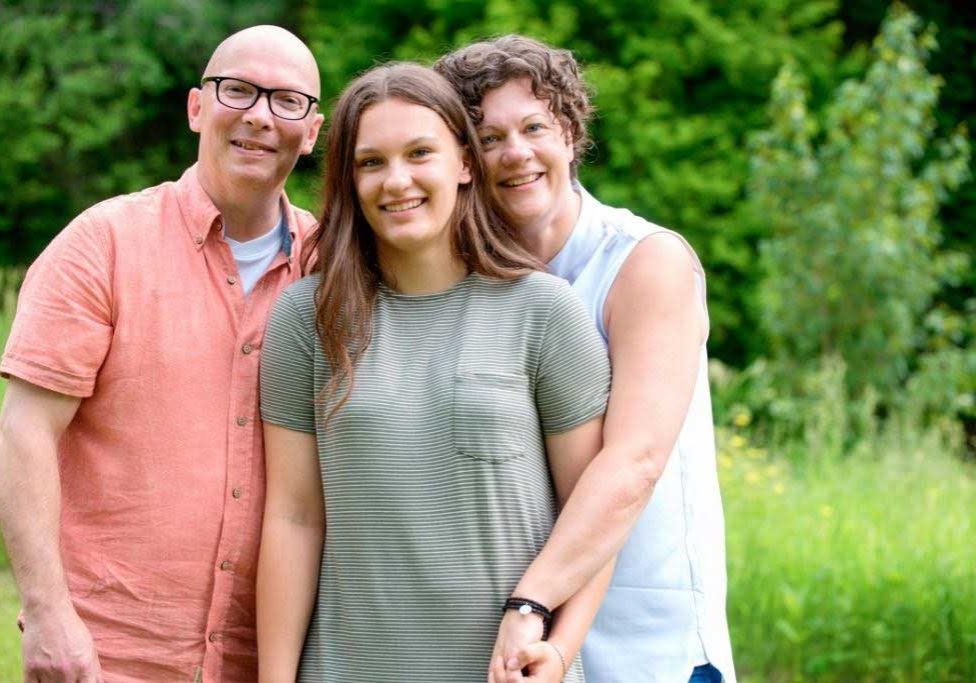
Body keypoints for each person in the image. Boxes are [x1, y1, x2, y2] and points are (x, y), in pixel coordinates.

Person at [255, 62, 615, 683]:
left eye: (420, 153)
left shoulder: (546, 312)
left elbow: (592, 516)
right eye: (371, 162)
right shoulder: (307, 318)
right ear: (350, 180)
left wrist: (559, 649)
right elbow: (293, 518)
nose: (397, 181)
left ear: (464, 163)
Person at [0, 25, 324, 681]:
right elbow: (24, 429)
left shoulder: (329, 268)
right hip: (107, 657)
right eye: (238, 90)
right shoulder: (103, 243)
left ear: (312, 131)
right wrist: (47, 610)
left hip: (264, 660)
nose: (260, 116)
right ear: (197, 107)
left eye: (286, 100)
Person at [436, 36, 736, 683]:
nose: (516, 153)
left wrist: (530, 604)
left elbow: (636, 462)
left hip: (642, 643)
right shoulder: (462, 283)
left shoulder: (645, 263)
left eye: (533, 127)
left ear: (570, 133)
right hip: (507, 647)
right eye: (488, 139)